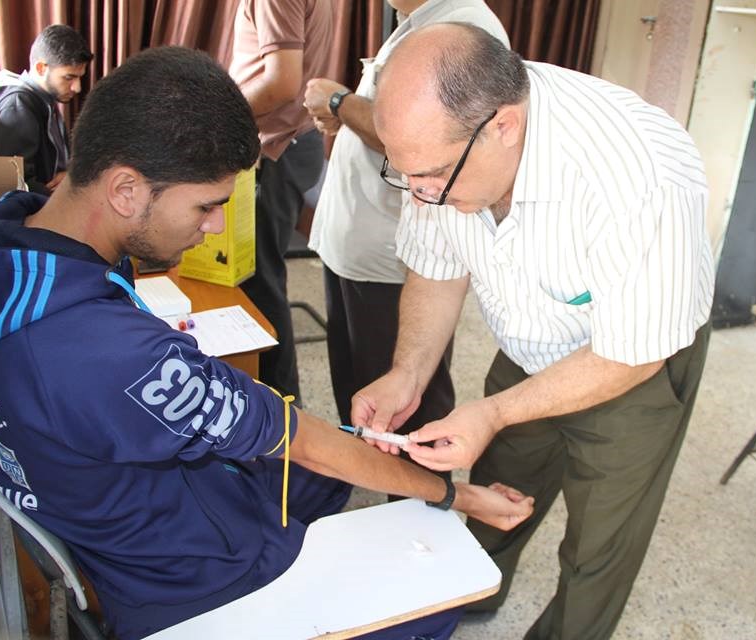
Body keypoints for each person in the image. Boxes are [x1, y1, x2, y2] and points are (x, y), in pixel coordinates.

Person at [0, 46, 533, 640]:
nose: (215, 224)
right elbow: (297, 440)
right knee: (434, 594)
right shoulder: (108, 353)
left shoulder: (11, 237)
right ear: (126, 189)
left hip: (138, 508)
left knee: (335, 460)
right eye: (207, 204)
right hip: (195, 576)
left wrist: (336, 445)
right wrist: (454, 494)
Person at [358, 23, 715, 639]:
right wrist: (407, 374)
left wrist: (494, 411)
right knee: (503, 484)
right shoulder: (439, 155)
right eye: (404, 173)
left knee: (599, 543)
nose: (418, 196)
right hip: (529, 340)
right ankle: (471, 594)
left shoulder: (640, 174)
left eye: (433, 175)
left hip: (635, 359)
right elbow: (437, 267)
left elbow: (632, 353)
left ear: (505, 126)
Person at [302, 0, 508, 441]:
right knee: (361, 393)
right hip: (357, 244)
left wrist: (340, 103)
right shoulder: (415, 20)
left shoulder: (463, 26)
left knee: (406, 411)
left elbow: (421, 138)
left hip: (395, 258)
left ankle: (415, 485)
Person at [229, 0, 333, 402]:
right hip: (285, 144)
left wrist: (216, 116)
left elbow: (282, 83)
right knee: (262, 279)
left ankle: (282, 407)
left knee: (261, 285)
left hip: (275, 148)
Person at [0, 24, 92, 194]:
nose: (77, 87)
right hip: (40, 205)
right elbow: (16, 185)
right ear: (41, 68)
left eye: (79, 78)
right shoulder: (18, 108)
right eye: (69, 77)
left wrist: (71, 176)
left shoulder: (46, 100)